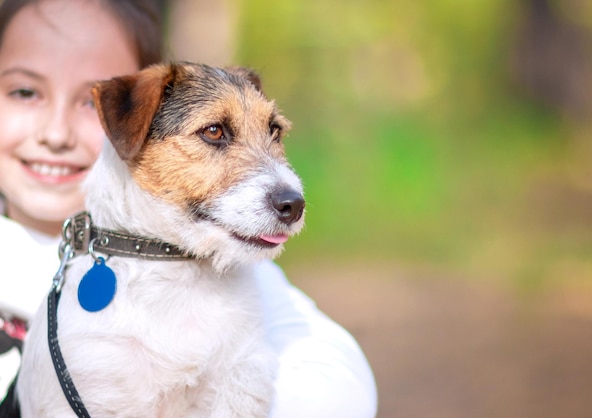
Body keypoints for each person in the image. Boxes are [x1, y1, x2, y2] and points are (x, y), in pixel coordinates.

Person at [0, 0, 378, 416]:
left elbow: (339, 382)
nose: (56, 134)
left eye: (89, 103)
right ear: (129, 115)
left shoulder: (243, 274)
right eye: (24, 92)